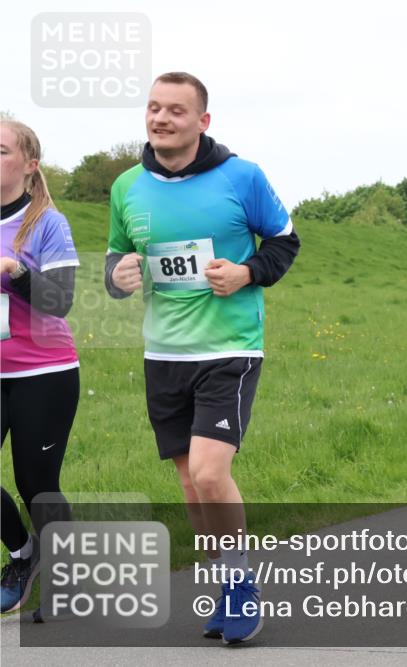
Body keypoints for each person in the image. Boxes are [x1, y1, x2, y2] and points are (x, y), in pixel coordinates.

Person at [105, 72, 299, 643]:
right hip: (163, 353)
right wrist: (117, 277)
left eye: (176, 110)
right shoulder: (126, 187)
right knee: (191, 488)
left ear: (202, 121)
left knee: (212, 474)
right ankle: (224, 580)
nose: (161, 118)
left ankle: (241, 586)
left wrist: (246, 273)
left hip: (229, 349)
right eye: (154, 108)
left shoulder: (242, 177)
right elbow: (118, 261)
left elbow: (284, 242)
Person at [0, 120, 80, 612]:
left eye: (0, 150)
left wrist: (15, 271)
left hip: (43, 373)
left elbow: (60, 300)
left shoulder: (47, 222)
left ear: (30, 165)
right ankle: (23, 554)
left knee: (36, 485)